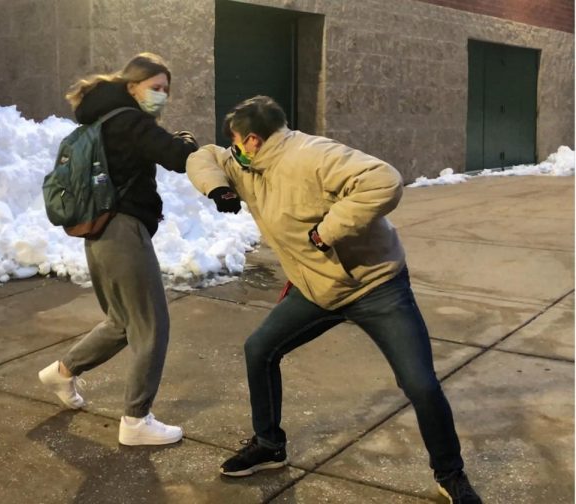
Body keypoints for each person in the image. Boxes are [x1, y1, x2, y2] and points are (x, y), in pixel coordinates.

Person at [186, 96, 482, 503]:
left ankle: (450, 474)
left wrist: (328, 230)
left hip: (375, 286)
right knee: (260, 349)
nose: (233, 149)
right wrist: (218, 189)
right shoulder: (248, 166)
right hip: (317, 290)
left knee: (420, 383)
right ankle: (269, 445)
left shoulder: (311, 155)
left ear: (252, 139)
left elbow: (384, 180)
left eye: (236, 141)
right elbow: (206, 156)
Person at [38, 53, 198, 446]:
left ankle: (62, 371)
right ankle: (136, 420)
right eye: (154, 88)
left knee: (122, 322)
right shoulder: (130, 121)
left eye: (165, 91)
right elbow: (177, 156)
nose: (161, 96)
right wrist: (189, 141)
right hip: (124, 232)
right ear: (132, 87)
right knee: (151, 325)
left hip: (100, 233)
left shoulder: (102, 121)